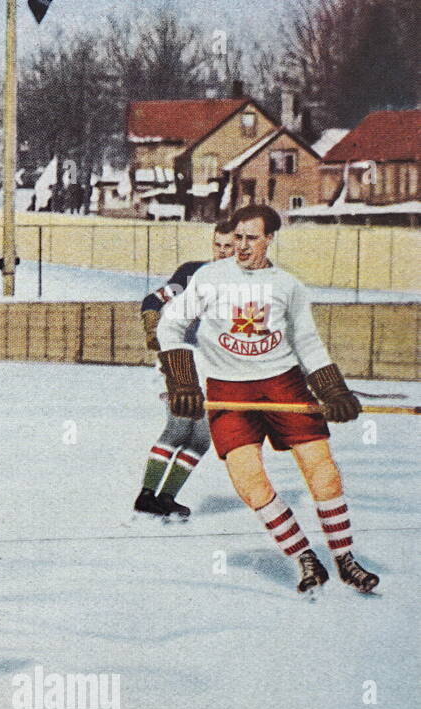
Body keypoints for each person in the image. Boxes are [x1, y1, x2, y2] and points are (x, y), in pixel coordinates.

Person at [157, 204, 377, 595]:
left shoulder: (287, 285)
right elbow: (170, 323)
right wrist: (183, 383)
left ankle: (345, 558)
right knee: (248, 481)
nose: (241, 247)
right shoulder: (210, 277)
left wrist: (333, 391)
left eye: (251, 238)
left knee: (321, 468)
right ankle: (304, 556)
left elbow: (306, 341)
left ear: (269, 239)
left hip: (282, 383)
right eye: (237, 238)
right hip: (228, 387)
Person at [134, 216, 235, 520]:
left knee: (201, 439)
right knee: (179, 428)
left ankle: (165, 498)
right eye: (218, 245)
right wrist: (152, 328)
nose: (222, 252)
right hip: (183, 360)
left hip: (216, 366)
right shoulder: (193, 273)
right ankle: (146, 497)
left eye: (229, 246)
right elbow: (153, 300)